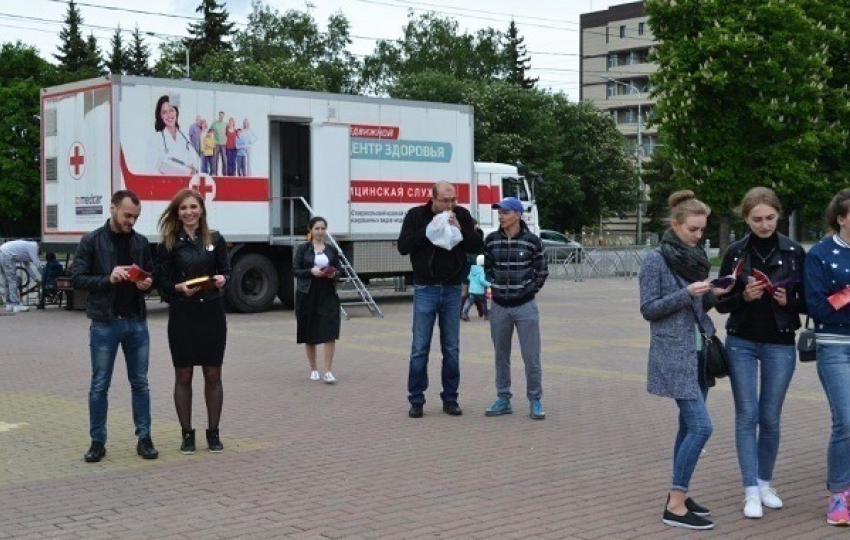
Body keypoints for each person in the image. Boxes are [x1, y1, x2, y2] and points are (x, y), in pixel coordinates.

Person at [638, 190, 732, 531]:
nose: (699, 236)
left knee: (687, 426)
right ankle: (674, 504)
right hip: (673, 354)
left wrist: (711, 295)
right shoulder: (656, 260)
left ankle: (680, 496)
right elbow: (649, 309)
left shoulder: (694, 258)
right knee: (702, 427)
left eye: (702, 230)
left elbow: (696, 308)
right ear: (675, 225)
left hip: (700, 352)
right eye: (693, 229)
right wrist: (686, 293)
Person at [715, 187, 806, 519]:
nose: (764, 225)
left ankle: (765, 483)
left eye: (769, 218)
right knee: (746, 416)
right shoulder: (736, 252)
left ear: (778, 215)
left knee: (770, 417)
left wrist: (789, 301)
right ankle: (750, 490)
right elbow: (719, 301)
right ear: (745, 218)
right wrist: (745, 297)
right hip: (741, 339)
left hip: (780, 341)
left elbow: (810, 302)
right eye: (757, 219)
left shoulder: (795, 251)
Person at [71, 190, 158, 463]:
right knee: (99, 385)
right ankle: (98, 442)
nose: (131, 221)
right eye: (127, 215)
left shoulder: (141, 242)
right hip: (104, 323)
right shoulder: (91, 240)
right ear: (112, 208)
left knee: (140, 383)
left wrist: (147, 284)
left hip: (136, 321)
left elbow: (151, 275)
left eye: (135, 217)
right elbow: (77, 278)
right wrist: (108, 279)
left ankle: (144, 438)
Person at [397, 181, 482, 418]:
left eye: (453, 199)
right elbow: (403, 247)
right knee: (420, 348)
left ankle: (451, 399)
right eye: (445, 200)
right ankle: (416, 400)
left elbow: (477, 246)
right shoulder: (416, 215)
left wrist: (461, 229)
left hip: (453, 289)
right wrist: (428, 231)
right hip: (426, 288)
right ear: (432, 199)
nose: (450, 205)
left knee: (451, 348)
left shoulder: (461, 214)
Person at [156, 189, 230, 454]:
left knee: (213, 374)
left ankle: (213, 433)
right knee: (183, 375)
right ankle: (187, 434)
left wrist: (222, 279)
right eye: (183, 208)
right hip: (183, 314)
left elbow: (226, 271)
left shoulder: (216, 239)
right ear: (177, 213)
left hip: (211, 313)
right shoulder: (168, 243)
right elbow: (161, 283)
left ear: (202, 210)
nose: (189, 212)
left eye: (193, 207)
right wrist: (179, 288)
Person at [804, 188, 850, 526]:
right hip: (835, 345)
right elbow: (817, 306)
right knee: (846, 421)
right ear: (841, 218)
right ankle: (838, 494)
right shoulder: (820, 254)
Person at [482, 197, 548, 420]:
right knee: (501, 356)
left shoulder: (532, 241)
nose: (500, 216)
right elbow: (487, 269)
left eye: (505, 212)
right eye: (499, 212)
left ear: (518, 215)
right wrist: (495, 285)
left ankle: (535, 400)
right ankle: (503, 398)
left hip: (525, 306)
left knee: (531, 356)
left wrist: (529, 290)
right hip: (499, 306)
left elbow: (541, 271)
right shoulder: (491, 240)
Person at [292, 217, 342, 384]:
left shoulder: (331, 250)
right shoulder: (303, 249)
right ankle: (314, 369)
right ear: (311, 230)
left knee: (330, 330)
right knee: (309, 331)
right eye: (317, 229)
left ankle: (328, 371)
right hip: (308, 293)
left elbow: (339, 269)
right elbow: (295, 270)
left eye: (322, 229)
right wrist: (311, 271)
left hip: (327, 292)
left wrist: (333, 273)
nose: (320, 232)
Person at [145, 95, 199, 175]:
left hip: (186, 184)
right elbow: (151, 169)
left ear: (176, 112)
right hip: (166, 184)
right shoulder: (156, 138)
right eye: (164, 112)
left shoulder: (185, 137)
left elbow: (196, 162)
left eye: (171, 110)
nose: (169, 115)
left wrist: (192, 169)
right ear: (160, 115)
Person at [0, 239, 42, 313]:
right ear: (39, 247)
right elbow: (37, 264)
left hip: (2, 252)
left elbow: (27, 266)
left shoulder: (26, 248)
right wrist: (43, 275)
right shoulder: (34, 246)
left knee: (7, 280)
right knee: (12, 280)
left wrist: (35, 278)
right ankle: (17, 305)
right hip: (7, 255)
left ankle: (9, 304)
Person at [461, 254, 490, 322]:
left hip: (472, 290)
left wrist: (474, 282)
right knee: (484, 303)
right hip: (480, 291)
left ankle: (464, 313)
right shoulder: (482, 270)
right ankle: (486, 315)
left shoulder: (472, 268)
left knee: (469, 303)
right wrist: (489, 284)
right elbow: (482, 280)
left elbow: (469, 277)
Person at [211, 111, 227, 176]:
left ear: (223, 116)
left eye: (222, 116)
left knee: (224, 160)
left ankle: (224, 174)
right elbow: (210, 131)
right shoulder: (214, 124)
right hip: (216, 144)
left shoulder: (225, 124)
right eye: (220, 115)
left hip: (223, 144)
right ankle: (215, 174)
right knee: (215, 160)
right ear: (219, 115)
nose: (221, 117)